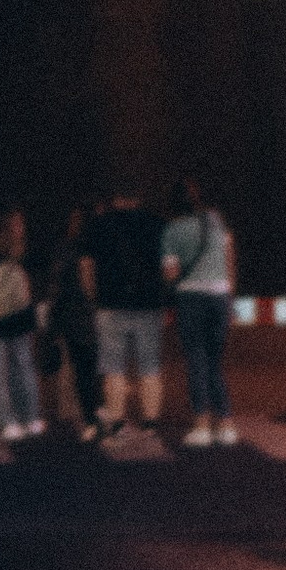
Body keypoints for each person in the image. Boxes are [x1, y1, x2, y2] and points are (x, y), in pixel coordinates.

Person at [84, 185, 169, 438]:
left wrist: (93, 295)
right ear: (138, 198)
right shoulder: (157, 224)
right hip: (149, 304)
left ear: (116, 198)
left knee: (113, 368)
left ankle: (118, 421)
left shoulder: (100, 224)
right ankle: (151, 422)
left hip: (110, 304)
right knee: (150, 367)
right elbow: (166, 266)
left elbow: (87, 264)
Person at [162, 177, 239, 448]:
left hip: (191, 297)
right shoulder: (217, 222)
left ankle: (202, 424)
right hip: (220, 295)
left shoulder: (173, 229)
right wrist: (230, 301)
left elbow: (170, 273)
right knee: (215, 361)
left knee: (196, 358)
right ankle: (227, 423)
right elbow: (230, 260)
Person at [0, 208, 43, 440]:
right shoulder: (24, 254)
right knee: (23, 368)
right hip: (21, 318)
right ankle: (30, 417)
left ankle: (3, 420)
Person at [41, 205, 102, 440]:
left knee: (79, 369)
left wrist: (52, 321)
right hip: (90, 314)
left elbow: (57, 286)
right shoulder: (95, 248)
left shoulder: (65, 248)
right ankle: (94, 414)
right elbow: (90, 285)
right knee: (92, 368)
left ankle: (80, 415)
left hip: (71, 314)